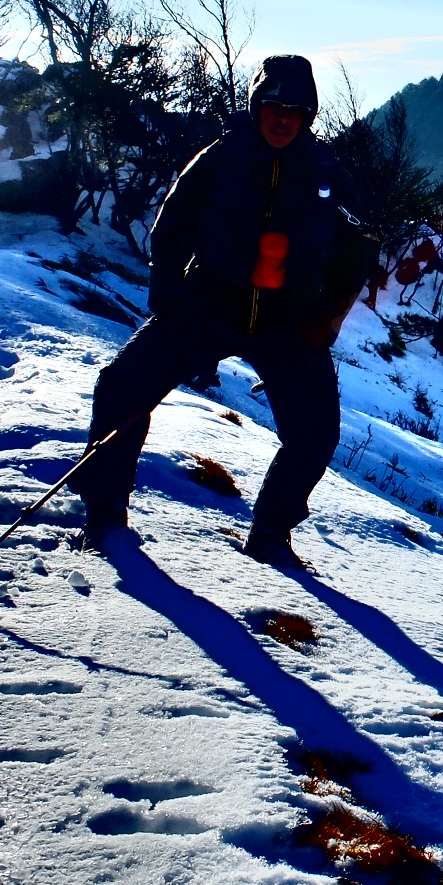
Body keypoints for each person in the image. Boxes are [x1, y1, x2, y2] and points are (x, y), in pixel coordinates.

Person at [77, 54, 377, 567]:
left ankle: (271, 534)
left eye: (296, 110)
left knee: (316, 433)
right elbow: (169, 230)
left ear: (309, 115)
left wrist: (328, 318)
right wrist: (168, 302)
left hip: (289, 322)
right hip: (209, 304)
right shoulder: (222, 157)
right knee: (121, 387)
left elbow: (360, 250)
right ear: (257, 106)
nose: (283, 118)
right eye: (273, 106)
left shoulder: (327, 173)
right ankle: (104, 515)